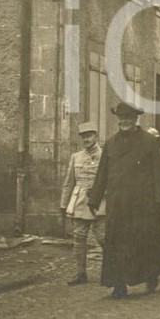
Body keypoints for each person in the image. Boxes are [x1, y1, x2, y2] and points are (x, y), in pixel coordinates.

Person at [87, 102, 160, 299]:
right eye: (121, 118)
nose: (124, 121)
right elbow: (102, 173)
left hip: (143, 205)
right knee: (116, 244)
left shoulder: (149, 142)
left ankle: (151, 275)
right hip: (118, 204)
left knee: (145, 243)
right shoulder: (111, 143)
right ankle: (119, 284)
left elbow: (159, 173)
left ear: (135, 119)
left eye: (128, 118)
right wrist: (94, 199)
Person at [60, 122, 106, 286]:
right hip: (79, 202)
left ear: (96, 136)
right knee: (79, 238)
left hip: (100, 202)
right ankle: (80, 274)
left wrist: (102, 192)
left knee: (103, 238)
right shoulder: (76, 157)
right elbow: (68, 182)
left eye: (89, 136)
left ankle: (111, 271)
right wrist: (64, 204)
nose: (86, 139)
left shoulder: (105, 156)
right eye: (84, 136)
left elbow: (112, 180)